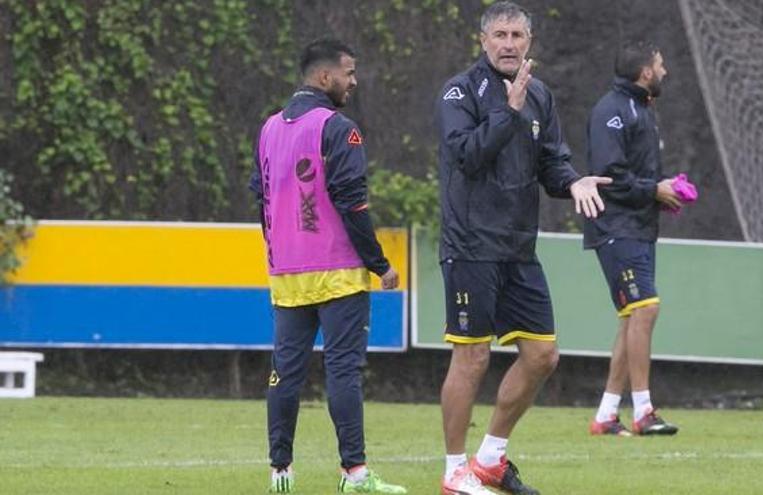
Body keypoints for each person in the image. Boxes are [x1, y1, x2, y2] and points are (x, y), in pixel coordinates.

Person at [435, 2, 612, 494]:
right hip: (470, 245)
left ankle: (490, 459)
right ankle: (454, 473)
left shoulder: (540, 96)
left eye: (517, 35)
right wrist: (506, 113)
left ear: (529, 42)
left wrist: (573, 181)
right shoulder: (459, 92)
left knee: (542, 355)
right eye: (500, 35)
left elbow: (552, 162)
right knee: (471, 359)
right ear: (483, 41)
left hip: (518, 248)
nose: (509, 43)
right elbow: (467, 156)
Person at [250, 38, 407, 493]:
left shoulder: (269, 128)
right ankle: (354, 474)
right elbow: (352, 203)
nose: (353, 81)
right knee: (342, 371)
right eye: (349, 72)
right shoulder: (338, 128)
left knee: (285, 373)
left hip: (286, 273)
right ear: (325, 78)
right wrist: (379, 264)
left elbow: (258, 195)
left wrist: (279, 246)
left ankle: (280, 473)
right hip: (337, 271)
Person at [583, 40, 685, 437]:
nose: (665, 71)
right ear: (645, 72)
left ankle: (607, 415)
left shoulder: (642, 109)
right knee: (645, 309)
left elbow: (637, 175)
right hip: (615, 227)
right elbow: (609, 176)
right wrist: (652, 190)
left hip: (638, 227)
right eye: (660, 64)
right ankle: (644, 411)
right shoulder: (612, 110)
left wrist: (664, 191)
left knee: (633, 316)